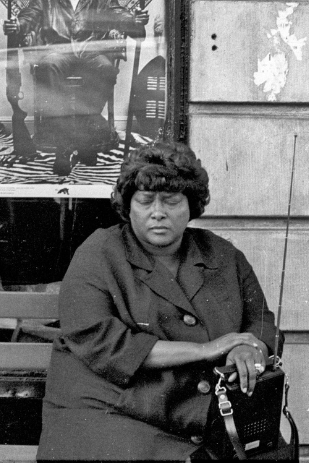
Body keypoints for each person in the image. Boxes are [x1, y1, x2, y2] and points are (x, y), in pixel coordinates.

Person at [38, 141, 281, 461]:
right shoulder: (99, 253)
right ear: (128, 205)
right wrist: (207, 349)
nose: (158, 213)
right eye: (145, 201)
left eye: (171, 201)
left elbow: (261, 321)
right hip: (112, 418)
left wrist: (250, 349)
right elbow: (100, 342)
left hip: (208, 422)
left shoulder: (223, 256)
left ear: (191, 205)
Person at [3, 0, 148, 173]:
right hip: (57, 51)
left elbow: (117, 13)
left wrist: (135, 20)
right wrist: (17, 26)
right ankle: (64, 147)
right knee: (48, 67)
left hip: (90, 49)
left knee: (106, 69)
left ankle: (85, 135)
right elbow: (29, 15)